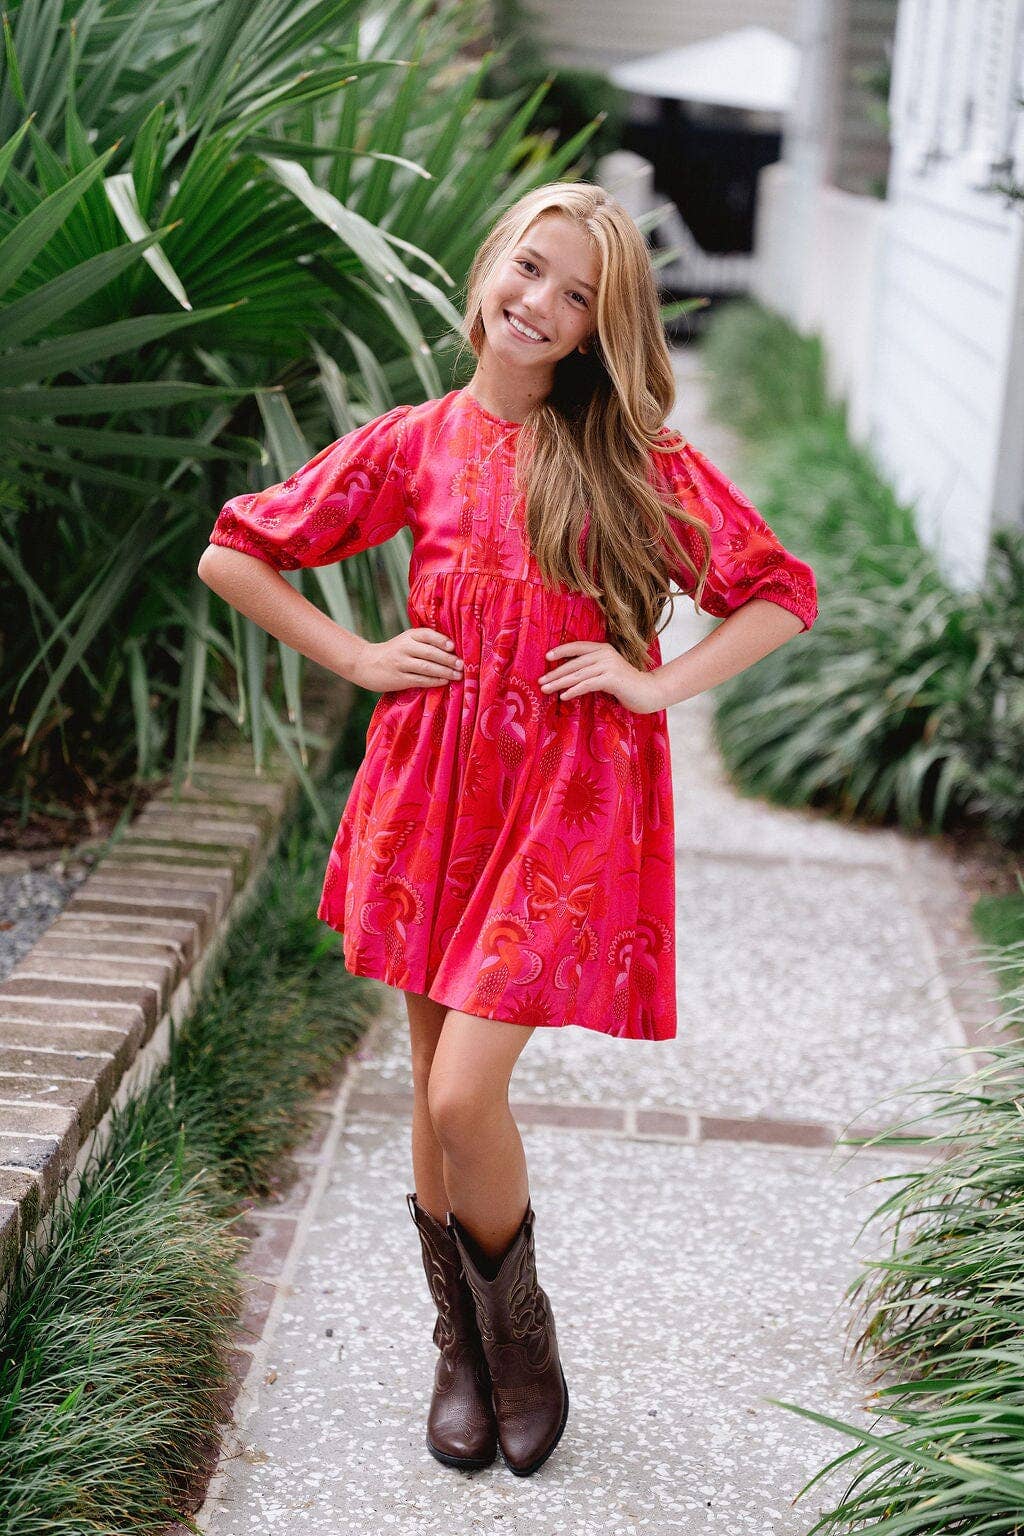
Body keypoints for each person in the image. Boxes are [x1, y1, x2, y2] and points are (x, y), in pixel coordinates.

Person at [198, 180, 819, 1479]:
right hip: (435, 793)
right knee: (435, 1090)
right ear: (492, 267)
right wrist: (359, 657)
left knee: (462, 1092)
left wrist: (653, 683)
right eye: (531, 268)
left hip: (567, 804)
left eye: (578, 294)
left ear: (598, 328)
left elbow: (775, 591)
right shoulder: (415, 440)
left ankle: (523, 1348)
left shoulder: (630, 459)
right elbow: (235, 552)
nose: (541, 302)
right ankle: (460, 1352)